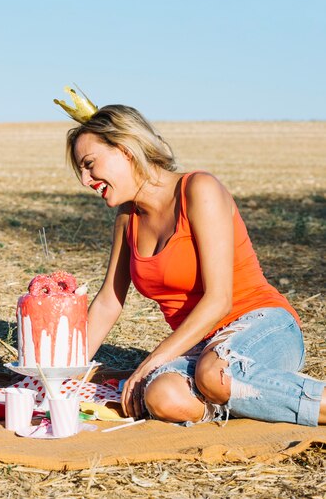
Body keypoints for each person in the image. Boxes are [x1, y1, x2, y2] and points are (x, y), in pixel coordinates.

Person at [55, 88, 325, 426]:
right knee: (162, 397)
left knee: (212, 374)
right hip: (201, 345)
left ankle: (248, 390)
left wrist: (152, 361)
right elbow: (109, 301)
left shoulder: (198, 190)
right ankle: (248, 394)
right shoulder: (127, 217)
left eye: (89, 165)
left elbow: (219, 301)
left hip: (263, 326)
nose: (85, 180)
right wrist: (60, 375)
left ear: (125, 150)